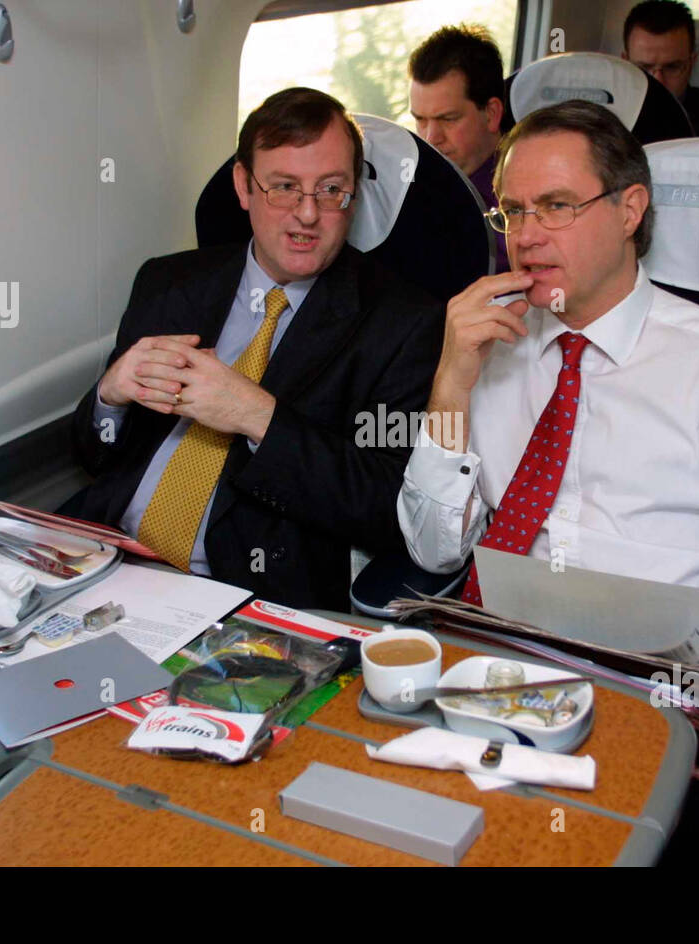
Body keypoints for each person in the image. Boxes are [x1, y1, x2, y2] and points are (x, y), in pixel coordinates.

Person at [398, 99, 699, 865]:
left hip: (665, 674)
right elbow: (436, 551)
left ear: (631, 209)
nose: (528, 234)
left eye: (557, 206)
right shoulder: (491, 343)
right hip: (508, 646)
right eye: (511, 210)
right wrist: (449, 382)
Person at [63, 87, 443, 611]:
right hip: (100, 559)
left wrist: (257, 415)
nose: (307, 215)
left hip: (241, 592)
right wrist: (110, 396)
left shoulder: (403, 324)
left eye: (331, 189)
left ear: (353, 192)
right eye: (284, 187)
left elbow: (386, 506)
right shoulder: (168, 281)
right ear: (244, 185)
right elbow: (92, 454)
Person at [408, 24, 510, 270]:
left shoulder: (524, 198)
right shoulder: (406, 187)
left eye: (448, 119)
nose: (431, 139)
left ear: (491, 114)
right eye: (420, 120)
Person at [622, 0, 699, 135]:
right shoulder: (605, 120)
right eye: (643, 68)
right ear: (625, 64)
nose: (658, 81)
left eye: (672, 67)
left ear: (691, 63)